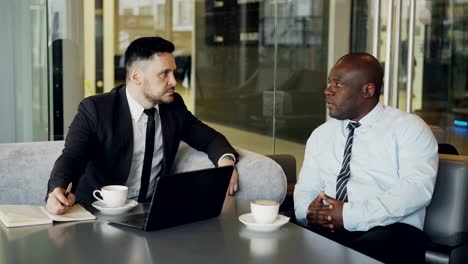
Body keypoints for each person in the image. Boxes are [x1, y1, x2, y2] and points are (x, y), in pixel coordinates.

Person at [46, 37, 239, 215]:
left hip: (152, 213)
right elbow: (72, 157)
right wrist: (57, 190)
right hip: (99, 213)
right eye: (164, 74)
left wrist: (226, 164)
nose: (174, 81)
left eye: (174, 72)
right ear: (136, 76)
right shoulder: (96, 110)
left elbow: (210, 139)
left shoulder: (173, 107)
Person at [293, 53, 438, 263]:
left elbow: (416, 190)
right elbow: (306, 187)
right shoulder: (321, 134)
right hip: (327, 224)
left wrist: (348, 216)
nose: (328, 90)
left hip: (390, 229)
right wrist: (309, 212)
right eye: (329, 82)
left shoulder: (409, 128)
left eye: (338, 84)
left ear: (367, 90)